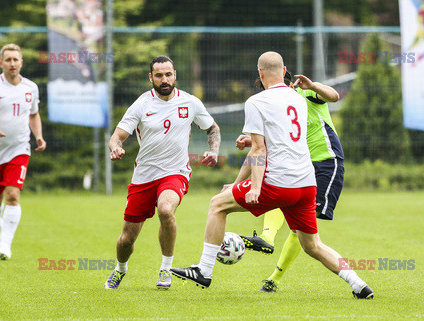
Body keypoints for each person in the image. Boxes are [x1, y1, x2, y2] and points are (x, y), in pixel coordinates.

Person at [171, 51, 373, 299]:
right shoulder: (297, 98)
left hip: (278, 183)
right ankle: (359, 284)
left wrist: (254, 187)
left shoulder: (256, 102)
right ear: (285, 70)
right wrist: (240, 179)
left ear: (260, 73)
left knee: (216, 205)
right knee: (312, 245)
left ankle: (203, 270)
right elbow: (274, 139)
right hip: (306, 185)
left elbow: (259, 149)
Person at [104, 56, 221, 290]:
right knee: (127, 240)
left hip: (175, 172)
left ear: (175, 74)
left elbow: (212, 128)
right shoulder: (141, 104)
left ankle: (166, 268)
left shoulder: (190, 102)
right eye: (159, 75)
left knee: (166, 210)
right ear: (151, 78)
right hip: (144, 176)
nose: (164, 79)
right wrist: (116, 147)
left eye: (168, 74)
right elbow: (117, 136)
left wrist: (214, 150)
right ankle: (120, 269)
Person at [237, 70, 344, 293]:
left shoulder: (304, 95)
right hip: (300, 167)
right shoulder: (278, 107)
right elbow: (270, 141)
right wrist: (249, 141)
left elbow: (334, 96)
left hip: (326, 162)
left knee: (302, 228)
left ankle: (274, 278)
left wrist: (312, 86)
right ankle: (267, 238)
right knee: (284, 201)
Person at [0, 43, 47, 260]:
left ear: (21, 62)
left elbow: (33, 115)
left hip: (19, 149)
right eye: (8, 60)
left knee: (12, 195)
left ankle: (5, 244)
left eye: (16, 59)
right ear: (1, 63)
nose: (12, 64)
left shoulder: (30, 87)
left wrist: (38, 136)